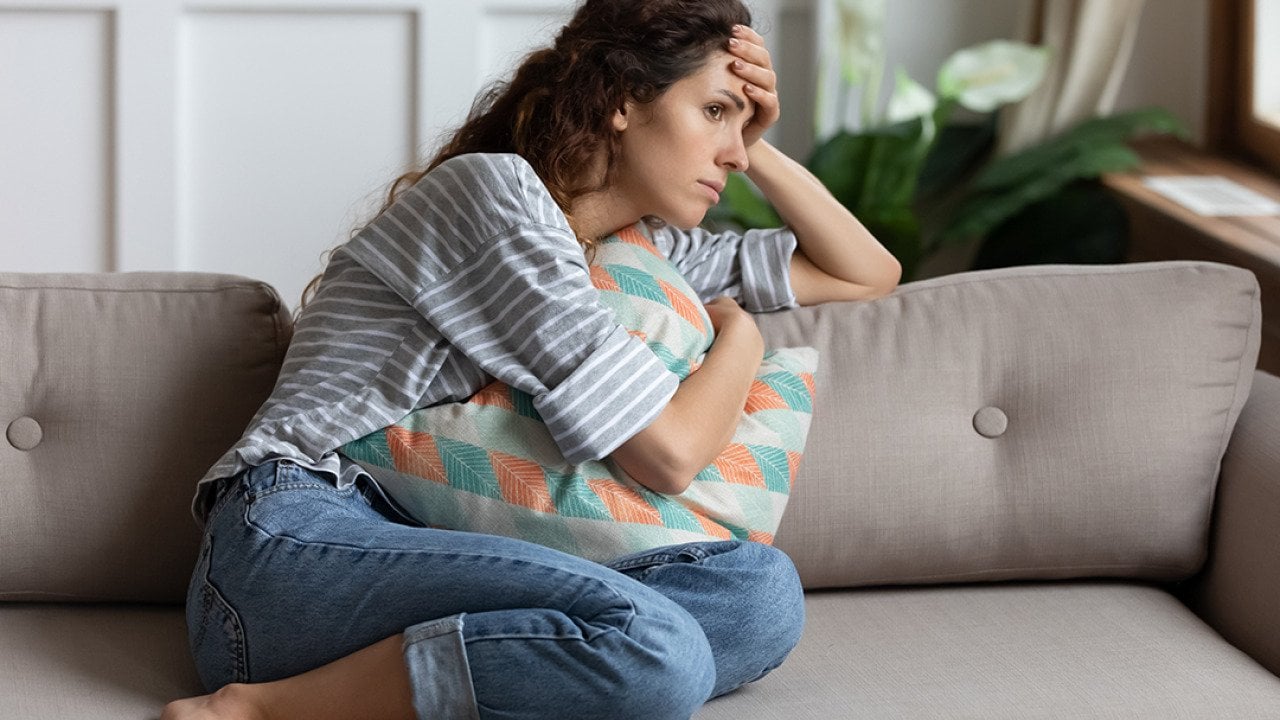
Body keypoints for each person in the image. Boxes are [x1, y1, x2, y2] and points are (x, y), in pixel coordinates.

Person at [162, 0, 901, 717]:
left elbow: (867, 273)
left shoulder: (636, 250)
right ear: (621, 100)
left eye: (742, 127)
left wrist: (758, 141)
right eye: (713, 113)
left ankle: (478, 674)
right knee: (659, 651)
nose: (732, 154)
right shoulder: (497, 196)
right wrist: (744, 337)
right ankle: (265, 708)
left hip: (427, 540)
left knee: (757, 596)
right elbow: (669, 455)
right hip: (296, 542)